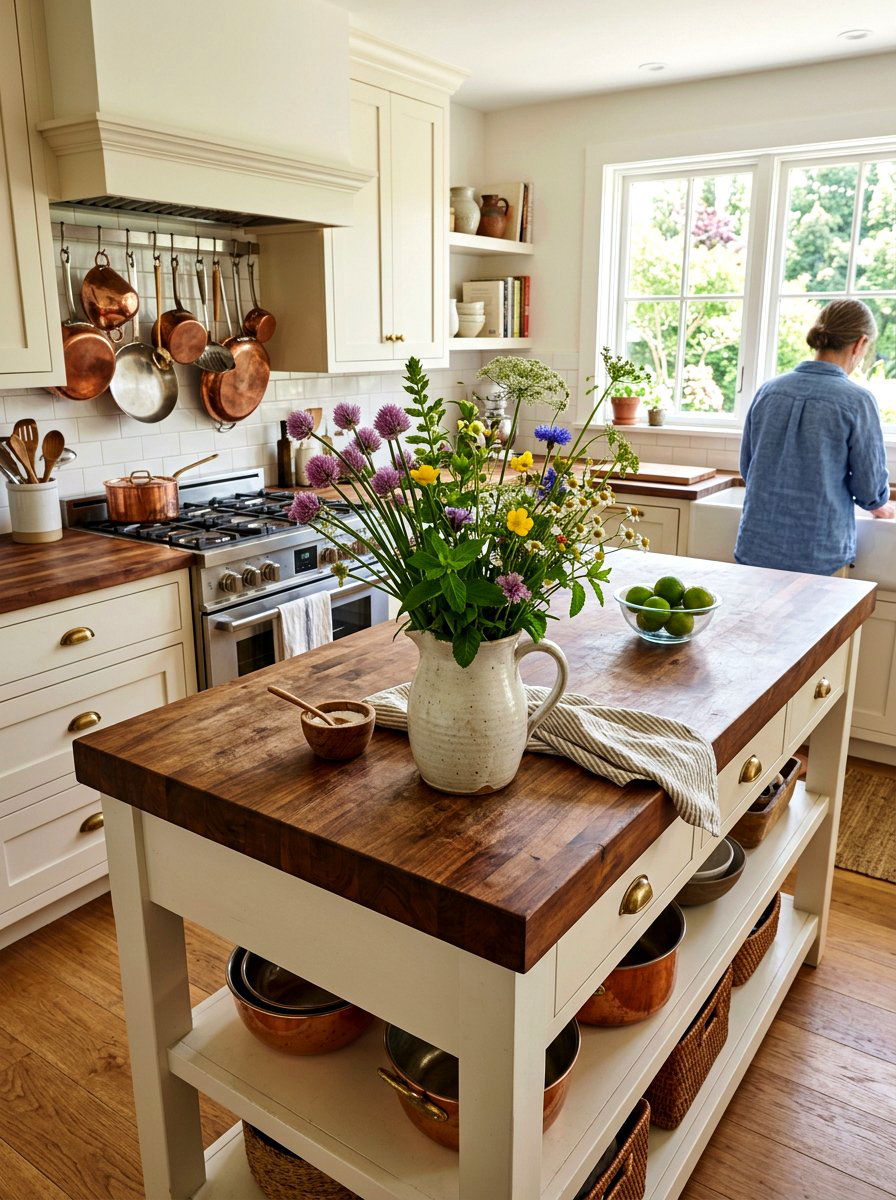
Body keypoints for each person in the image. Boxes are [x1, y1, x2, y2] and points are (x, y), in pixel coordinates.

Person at [735, 298, 893, 577]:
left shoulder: (768, 391)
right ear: (860, 343)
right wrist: (878, 504)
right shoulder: (856, 401)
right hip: (818, 554)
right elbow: (868, 488)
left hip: (757, 547)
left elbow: (749, 468)